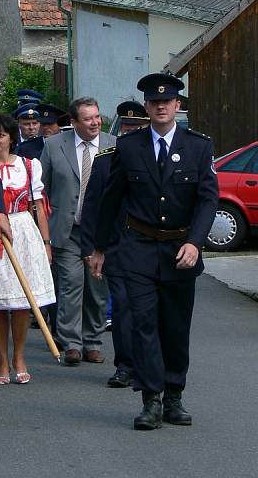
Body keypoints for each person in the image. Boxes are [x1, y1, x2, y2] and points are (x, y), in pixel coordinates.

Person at [89, 74, 218, 430]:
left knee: (175, 327)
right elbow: (110, 200)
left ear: (178, 106)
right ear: (147, 107)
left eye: (168, 101)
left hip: (180, 250)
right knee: (143, 323)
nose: (161, 106)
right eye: (154, 102)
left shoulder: (199, 147)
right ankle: (151, 399)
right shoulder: (129, 147)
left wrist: (195, 241)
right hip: (139, 248)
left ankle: (175, 395)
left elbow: (208, 200)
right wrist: (99, 248)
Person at [0, 114, 54, 385]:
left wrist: (46, 243)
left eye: (1, 134)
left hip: (23, 231)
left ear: (11, 138)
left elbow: (39, 206)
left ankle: (19, 357)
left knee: (21, 301)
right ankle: (2, 360)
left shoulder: (29, 166)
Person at [80, 100, 150, 389]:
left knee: (149, 310)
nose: (132, 130)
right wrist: (91, 248)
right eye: (128, 126)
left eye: (137, 126)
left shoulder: (154, 155)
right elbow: (93, 206)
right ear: (121, 128)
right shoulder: (106, 158)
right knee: (122, 307)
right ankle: (125, 365)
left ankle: (150, 363)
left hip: (151, 245)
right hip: (118, 246)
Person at [41, 97, 115, 365]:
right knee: (71, 285)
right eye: (87, 118)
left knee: (97, 288)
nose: (95, 122)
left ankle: (93, 342)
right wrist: (44, 233)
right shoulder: (53, 146)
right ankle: (71, 342)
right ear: (73, 122)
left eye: (97, 117)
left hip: (99, 233)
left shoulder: (113, 145)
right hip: (67, 229)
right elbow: (42, 191)